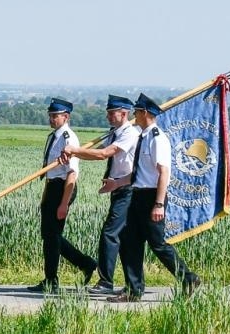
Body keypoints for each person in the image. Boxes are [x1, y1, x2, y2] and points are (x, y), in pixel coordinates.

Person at [113, 93, 200, 302]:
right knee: (129, 241)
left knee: (158, 244)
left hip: (152, 197)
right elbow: (140, 173)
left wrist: (159, 204)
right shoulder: (143, 137)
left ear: (144, 113)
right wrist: (117, 183)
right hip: (138, 194)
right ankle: (134, 289)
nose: (134, 115)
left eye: (136, 112)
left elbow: (163, 172)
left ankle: (188, 278)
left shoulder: (157, 138)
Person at [63, 94, 139, 295]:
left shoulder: (129, 134)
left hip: (127, 190)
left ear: (124, 114)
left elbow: (105, 154)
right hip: (117, 188)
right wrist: (76, 153)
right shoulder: (115, 132)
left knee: (110, 233)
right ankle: (133, 283)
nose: (108, 117)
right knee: (123, 236)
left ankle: (106, 281)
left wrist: (75, 151)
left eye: (111, 113)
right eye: (108, 113)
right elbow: (99, 150)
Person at [35, 98, 95, 290]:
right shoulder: (53, 136)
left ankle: (52, 280)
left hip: (63, 188)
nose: (51, 119)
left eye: (55, 116)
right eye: (50, 116)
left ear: (66, 117)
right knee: (50, 235)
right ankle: (85, 263)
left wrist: (64, 203)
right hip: (52, 187)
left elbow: (72, 173)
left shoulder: (69, 138)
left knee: (52, 236)